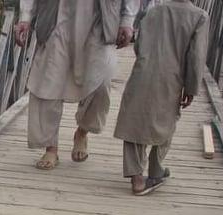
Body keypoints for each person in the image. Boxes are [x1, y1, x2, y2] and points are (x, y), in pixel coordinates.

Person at [14, 0, 139, 170]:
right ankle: (51, 147)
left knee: (101, 82)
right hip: (57, 19)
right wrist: (25, 17)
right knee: (49, 83)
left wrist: (127, 21)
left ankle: (82, 131)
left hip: (99, 20)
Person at [114, 0, 208, 195]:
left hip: (143, 71)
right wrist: (191, 87)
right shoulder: (199, 16)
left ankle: (138, 175)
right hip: (171, 77)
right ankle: (153, 171)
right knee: (166, 121)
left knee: (135, 120)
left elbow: (139, 45)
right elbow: (196, 57)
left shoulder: (153, 11)